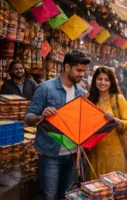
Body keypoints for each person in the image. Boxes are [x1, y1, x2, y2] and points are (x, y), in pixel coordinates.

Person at [25, 50, 90, 200]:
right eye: (78, 70)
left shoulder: (81, 93)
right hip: (50, 155)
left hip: (73, 154)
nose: (82, 74)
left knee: (66, 196)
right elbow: (28, 118)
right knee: (49, 196)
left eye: (83, 71)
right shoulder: (46, 88)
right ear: (67, 67)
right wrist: (42, 116)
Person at [87, 66, 127, 178]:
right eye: (99, 79)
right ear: (94, 80)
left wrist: (115, 120)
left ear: (111, 82)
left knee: (114, 184)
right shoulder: (90, 99)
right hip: (95, 150)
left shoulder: (118, 99)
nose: (103, 83)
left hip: (115, 151)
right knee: (97, 187)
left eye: (107, 80)